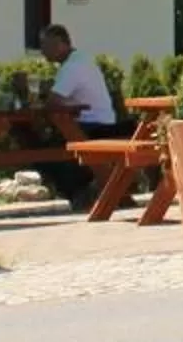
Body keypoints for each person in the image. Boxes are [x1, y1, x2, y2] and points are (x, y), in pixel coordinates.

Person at [33, 24, 125, 210]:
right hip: (103, 122)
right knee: (48, 144)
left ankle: (80, 192)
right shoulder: (81, 60)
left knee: (41, 150)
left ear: (60, 44)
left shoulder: (72, 66)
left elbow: (53, 102)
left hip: (94, 126)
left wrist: (41, 96)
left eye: (45, 46)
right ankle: (85, 190)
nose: (42, 52)